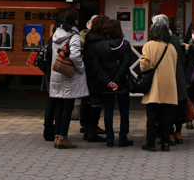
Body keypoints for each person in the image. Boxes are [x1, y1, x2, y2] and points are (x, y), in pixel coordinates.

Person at [85, 17, 136, 147]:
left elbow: (96, 67)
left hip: (105, 84)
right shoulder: (125, 44)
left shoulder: (98, 46)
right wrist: (117, 81)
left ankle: (109, 138)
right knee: (124, 111)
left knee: (108, 111)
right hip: (122, 83)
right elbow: (126, 64)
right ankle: (123, 138)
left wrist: (109, 82)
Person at [46, 10, 88, 149]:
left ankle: (57, 136)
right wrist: (81, 68)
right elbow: (75, 56)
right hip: (69, 74)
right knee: (67, 107)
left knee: (58, 106)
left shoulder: (56, 35)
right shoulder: (73, 36)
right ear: (75, 21)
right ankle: (63, 137)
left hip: (57, 73)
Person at [139, 22, 178, 152]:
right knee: (166, 116)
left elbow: (144, 65)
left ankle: (150, 143)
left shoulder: (148, 45)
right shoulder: (171, 47)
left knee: (152, 116)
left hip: (154, 86)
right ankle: (165, 142)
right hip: (169, 85)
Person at [152, 14, 188, 146]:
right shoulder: (175, 39)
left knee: (166, 108)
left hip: (166, 78)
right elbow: (181, 60)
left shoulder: (160, 39)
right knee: (178, 106)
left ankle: (169, 134)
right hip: (178, 76)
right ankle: (178, 133)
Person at [79, 15, 109, 143]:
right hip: (97, 77)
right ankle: (92, 132)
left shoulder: (88, 39)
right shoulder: (100, 41)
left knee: (87, 103)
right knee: (96, 105)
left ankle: (86, 130)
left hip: (87, 75)